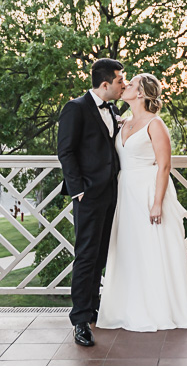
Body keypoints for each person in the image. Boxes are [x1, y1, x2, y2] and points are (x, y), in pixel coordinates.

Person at [96, 73, 187, 332]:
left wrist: (157, 202)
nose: (125, 86)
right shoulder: (123, 122)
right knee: (129, 250)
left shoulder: (155, 124)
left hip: (149, 191)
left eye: (131, 84)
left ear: (142, 93)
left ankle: (162, 309)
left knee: (154, 249)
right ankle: (128, 307)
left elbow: (164, 165)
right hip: (126, 193)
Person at [57, 58, 126, 347]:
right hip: (87, 195)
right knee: (86, 257)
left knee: (100, 256)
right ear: (105, 83)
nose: (124, 84)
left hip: (112, 193)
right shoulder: (75, 108)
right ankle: (81, 320)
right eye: (121, 80)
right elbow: (66, 151)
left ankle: (95, 308)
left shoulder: (112, 108)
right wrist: (78, 190)